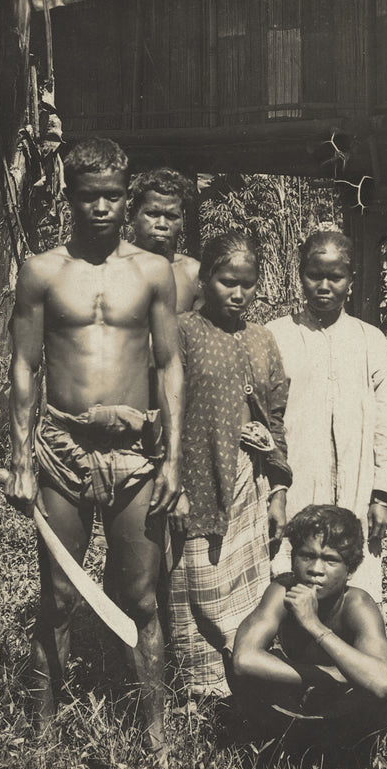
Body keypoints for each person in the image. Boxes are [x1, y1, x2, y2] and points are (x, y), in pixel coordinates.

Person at [6, 138, 183, 753]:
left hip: (136, 454)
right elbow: (24, 367)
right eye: (88, 197)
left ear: (126, 196)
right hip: (62, 448)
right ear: (69, 196)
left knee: (140, 594)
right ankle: (43, 728)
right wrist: (21, 458)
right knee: (56, 594)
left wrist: (174, 460)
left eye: (112, 196)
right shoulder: (42, 271)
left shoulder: (152, 272)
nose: (101, 208)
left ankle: (155, 730)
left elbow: (170, 365)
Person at [165, 233, 291, 697]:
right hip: (196, 479)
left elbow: (275, 415)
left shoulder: (262, 340)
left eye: (248, 284)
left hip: (250, 482)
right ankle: (202, 692)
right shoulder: (182, 331)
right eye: (226, 282)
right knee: (196, 580)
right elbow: (166, 408)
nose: (238, 294)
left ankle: (248, 680)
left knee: (248, 581)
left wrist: (277, 491)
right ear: (204, 280)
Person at [266, 230, 387, 602]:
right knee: (290, 576)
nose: (324, 285)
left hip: (356, 492)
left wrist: (384, 496)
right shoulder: (275, 337)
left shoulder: (370, 341)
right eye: (315, 274)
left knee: (355, 582)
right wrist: (273, 492)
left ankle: (353, 652)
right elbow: (267, 422)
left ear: (351, 280)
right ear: (300, 274)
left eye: (335, 276)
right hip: (295, 487)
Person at [232, 505, 387, 769]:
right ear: (293, 557)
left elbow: (380, 683)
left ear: (350, 568)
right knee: (233, 652)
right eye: (306, 556)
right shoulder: (282, 590)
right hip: (311, 692)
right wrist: (326, 675)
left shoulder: (357, 604)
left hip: (350, 704)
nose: (315, 570)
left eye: (330, 560)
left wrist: (314, 625)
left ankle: (351, 759)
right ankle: (289, 744)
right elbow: (243, 659)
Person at [130, 167, 203, 313]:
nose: (162, 224)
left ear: (182, 221)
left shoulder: (193, 274)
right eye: (152, 214)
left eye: (172, 216)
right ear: (132, 215)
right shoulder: (114, 266)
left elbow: (201, 332)